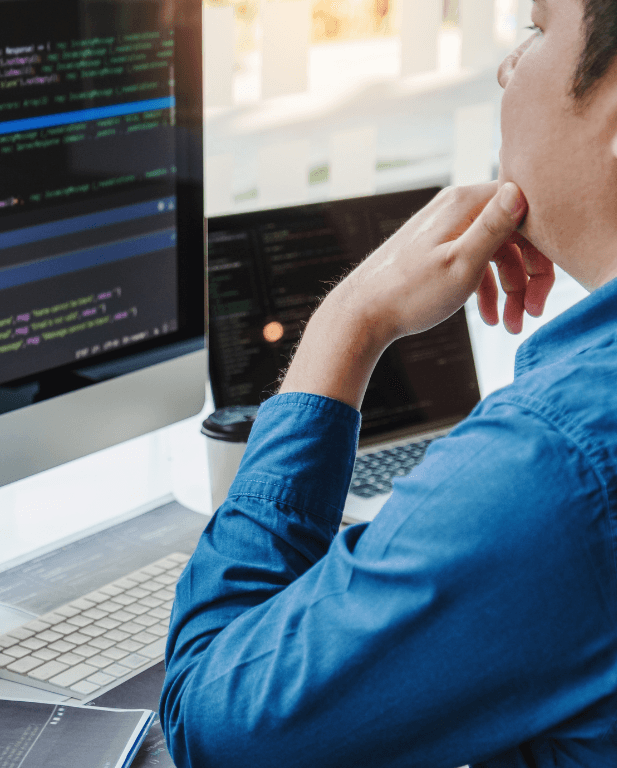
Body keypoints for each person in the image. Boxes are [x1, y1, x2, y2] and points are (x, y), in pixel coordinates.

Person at [161, 0, 617, 765]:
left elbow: (212, 722)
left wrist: (352, 316)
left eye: (537, 30)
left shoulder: (557, 467)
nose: (507, 66)